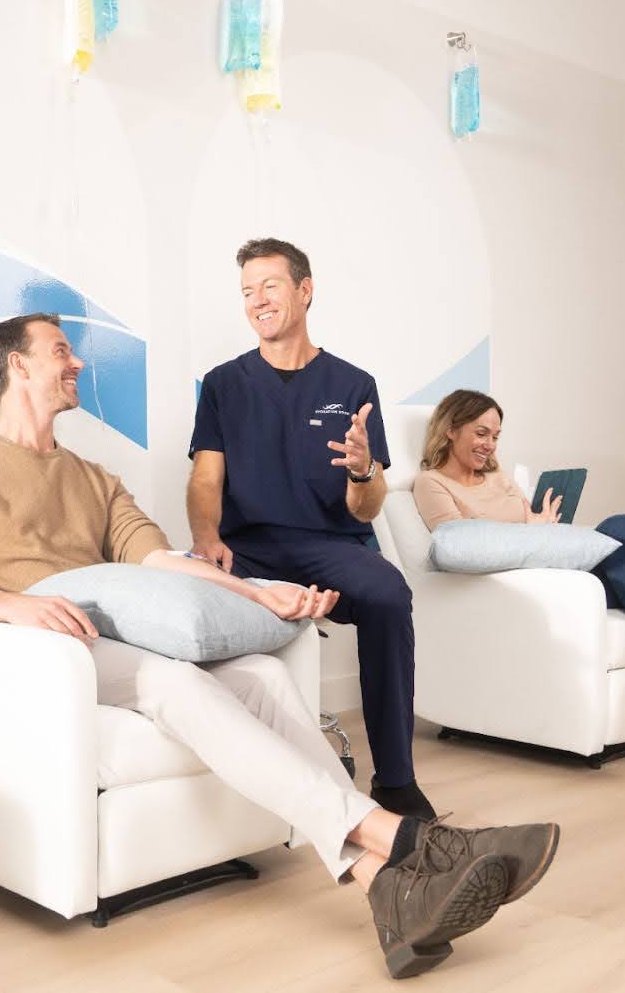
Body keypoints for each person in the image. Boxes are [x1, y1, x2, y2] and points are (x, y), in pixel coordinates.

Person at [0, 314, 560, 979]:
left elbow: (157, 559)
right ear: (18, 365)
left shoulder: (94, 478)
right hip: (42, 655)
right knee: (180, 684)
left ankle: (383, 888)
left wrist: (257, 593)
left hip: (109, 637)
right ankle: (417, 844)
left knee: (262, 675)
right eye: (60, 351)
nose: (76, 364)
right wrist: (12, 604)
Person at [186, 239, 435, 821]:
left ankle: (395, 780)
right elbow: (205, 480)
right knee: (186, 594)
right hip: (247, 548)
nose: (257, 300)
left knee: (389, 595)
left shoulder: (352, 385)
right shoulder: (223, 384)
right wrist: (206, 538)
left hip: (331, 546)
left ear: (305, 288)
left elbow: (367, 509)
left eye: (269, 285)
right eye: (247, 291)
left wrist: (363, 468)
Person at [412, 389, 625, 770]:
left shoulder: (499, 478)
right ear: (452, 429)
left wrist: (540, 526)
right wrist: (531, 527)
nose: (490, 445)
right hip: (524, 589)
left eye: (496, 436)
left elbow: (527, 526)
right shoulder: (431, 483)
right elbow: (460, 545)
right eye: (481, 433)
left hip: (564, 580)